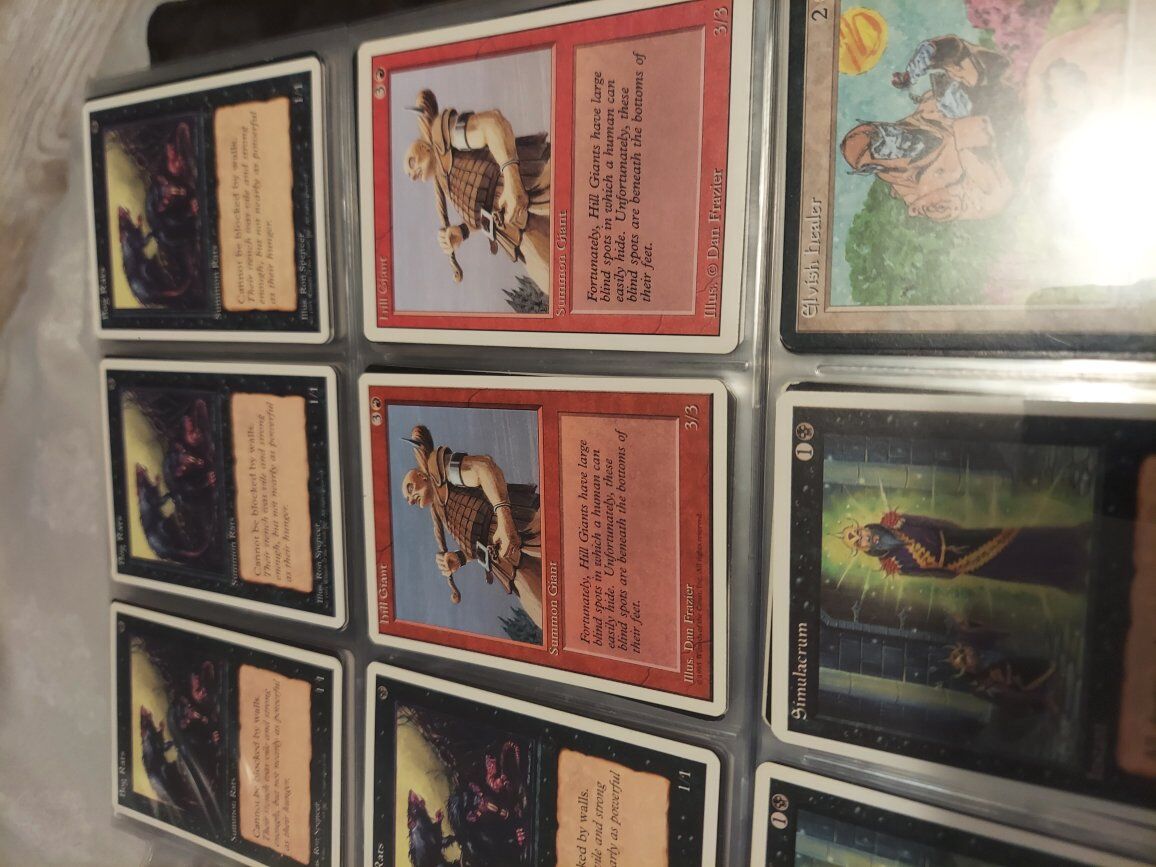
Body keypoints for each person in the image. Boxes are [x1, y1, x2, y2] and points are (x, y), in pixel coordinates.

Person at [841, 35, 1018, 222]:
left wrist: (933, 52)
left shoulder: (932, 106)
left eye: (887, 131)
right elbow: (992, 197)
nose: (897, 139)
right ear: (878, 165)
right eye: (883, 147)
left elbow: (971, 59)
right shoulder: (920, 188)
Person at [404, 88, 551, 294]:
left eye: (411, 163)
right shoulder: (445, 180)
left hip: (533, 188)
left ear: (423, 147)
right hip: (515, 231)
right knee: (555, 283)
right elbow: (481, 201)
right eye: (410, 175)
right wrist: (462, 231)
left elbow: (492, 124)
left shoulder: (444, 134)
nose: (413, 174)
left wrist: (512, 181)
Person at [400, 424, 543, 625]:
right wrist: (460, 558)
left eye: (409, 489)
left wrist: (505, 521)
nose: (410, 499)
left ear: (422, 476)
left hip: (524, 525)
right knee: (547, 616)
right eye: (407, 498)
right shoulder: (442, 510)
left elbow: (484, 468)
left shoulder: (441, 469)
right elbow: (477, 533)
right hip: (506, 562)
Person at [838, 509, 1090, 591]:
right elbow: (925, 573)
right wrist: (949, 572)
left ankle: (1069, 538)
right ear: (860, 549)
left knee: (1011, 539)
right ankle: (1063, 575)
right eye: (857, 542)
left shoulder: (893, 521)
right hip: (959, 563)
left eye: (858, 532)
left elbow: (926, 522)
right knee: (1007, 568)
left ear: (862, 527)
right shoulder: (892, 564)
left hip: (958, 538)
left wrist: (952, 530)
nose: (863, 538)